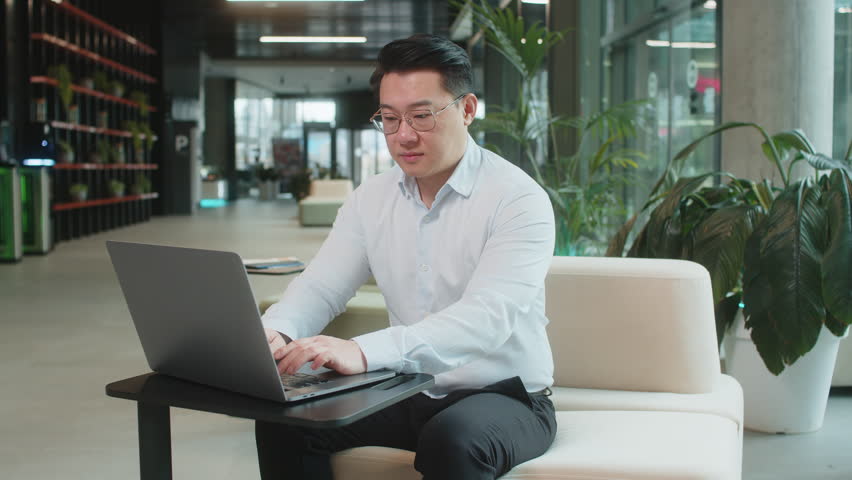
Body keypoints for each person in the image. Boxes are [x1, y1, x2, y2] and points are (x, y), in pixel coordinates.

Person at [257, 34, 557, 480]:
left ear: (467, 109)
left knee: (452, 440)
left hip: (505, 396)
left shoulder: (517, 199)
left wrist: (362, 350)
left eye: (422, 116)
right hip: (408, 389)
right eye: (390, 119)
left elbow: (487, 318)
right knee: (283, 424)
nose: (404, 136)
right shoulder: (371, 198)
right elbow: (322, 285)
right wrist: (274, 332)